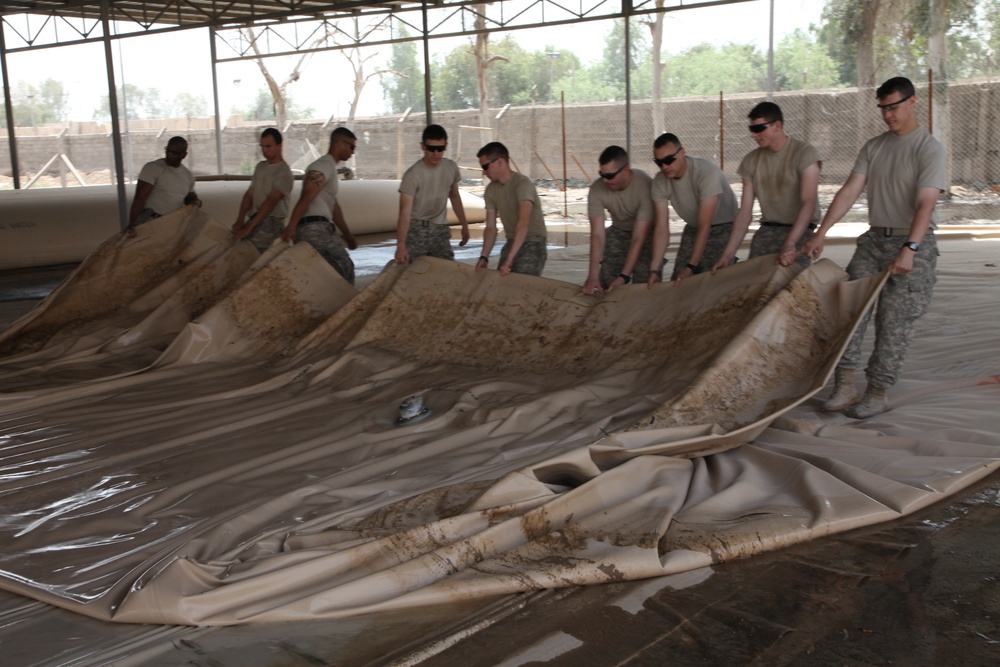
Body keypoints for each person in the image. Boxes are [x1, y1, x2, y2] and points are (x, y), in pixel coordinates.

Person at [802, 76, 946, 419]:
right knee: (851, 309)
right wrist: (821, 232)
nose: (888, 115)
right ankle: (846, 384)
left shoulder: (928, 148)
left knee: (893, 320)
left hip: (912, 242)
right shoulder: (874, 146)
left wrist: (910, 248)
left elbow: (926, 203)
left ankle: (878, 391)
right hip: (874, 240)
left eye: (893, 107)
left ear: (912, 102)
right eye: (883, 108)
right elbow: (850, 191)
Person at [713, 102, 821, 271]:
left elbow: (809, 202)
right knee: (753, 284)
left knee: (790, 284)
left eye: (759, 129)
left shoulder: (804, 153)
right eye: (751, 129)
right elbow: (745, 213)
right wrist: (728, 254)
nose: (754, 135)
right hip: (767, 230)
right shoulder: (751, 161)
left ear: (777, 126)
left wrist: (790, 243)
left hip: (800, 230)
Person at [647, 133, 738, 285]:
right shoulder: (659, 182)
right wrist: (654, 270)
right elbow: (662, 227)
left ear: (682, 153)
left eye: (669, 160)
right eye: (659, 162)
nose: (664, 166)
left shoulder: (706, 172)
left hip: (724, 227)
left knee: (714, 279)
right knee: (678, 281)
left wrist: (692, 266)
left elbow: (705, 225)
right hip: (693, 228)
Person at [282, 126, 359, 284]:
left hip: (320, 227)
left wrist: (347, 235)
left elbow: (334, 207)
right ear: (339, 144)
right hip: (315, 229)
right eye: (351, 146)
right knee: (341, 269)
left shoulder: (329, 168)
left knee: (332, 272)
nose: (353, 152)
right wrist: (291, 226)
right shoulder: (323, 165)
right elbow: (307, 196)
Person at [582, 146, 656, 295]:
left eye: (610, 176)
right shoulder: (597, 189)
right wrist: (592, 275)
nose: (605, 180)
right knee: (607, 283)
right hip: (618, 231)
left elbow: (638, 237)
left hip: (647, 233)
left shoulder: (645, 186)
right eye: (601, 175)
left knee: (644, 283)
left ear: (626, 170)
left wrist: (624, 276)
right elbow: (597, 234)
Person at [394, 124, 470, 264]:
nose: (436, 153)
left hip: (440, 229)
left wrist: (464, 225)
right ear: (422, 146)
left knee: (446, 271)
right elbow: (404, 213)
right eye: (431, 148)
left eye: (440, 149)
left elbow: (454, 196)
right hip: (416, 230)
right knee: (410, 273)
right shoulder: (412, 175)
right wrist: (401, 245)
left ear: (446, 146)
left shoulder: (451, 168)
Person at [476, 142, 547, 277]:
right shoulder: (491, 190)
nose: (484, 172)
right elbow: (491, 227)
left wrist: (510, 258)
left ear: (500, 162)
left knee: (520, 283)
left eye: (486, 167)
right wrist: (484, 257)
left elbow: (523, 223)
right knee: (500, 283)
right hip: (511, 241)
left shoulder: (522, 184)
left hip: (533, 242)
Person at [232, 128, 294, 252]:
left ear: (279, 146)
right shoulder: (260, 167)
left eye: (268, 146)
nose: (264, 150)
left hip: (271, 223)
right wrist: (240, 220)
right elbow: (249, 195)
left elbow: (270, 203)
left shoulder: (284, 172)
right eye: (262, 147)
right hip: (255, 219)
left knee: (249, 253)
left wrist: (248, 229)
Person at [126, 136, 198, 235]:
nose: (169, 155)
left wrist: (194, 201)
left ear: (184, 155)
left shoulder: (188, 176)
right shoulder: (153, 168)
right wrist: (132, 224)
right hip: (151, 223)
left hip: (173, 226)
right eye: (168, 150)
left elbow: (189, 198)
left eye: (175, 153)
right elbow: (140, 197)